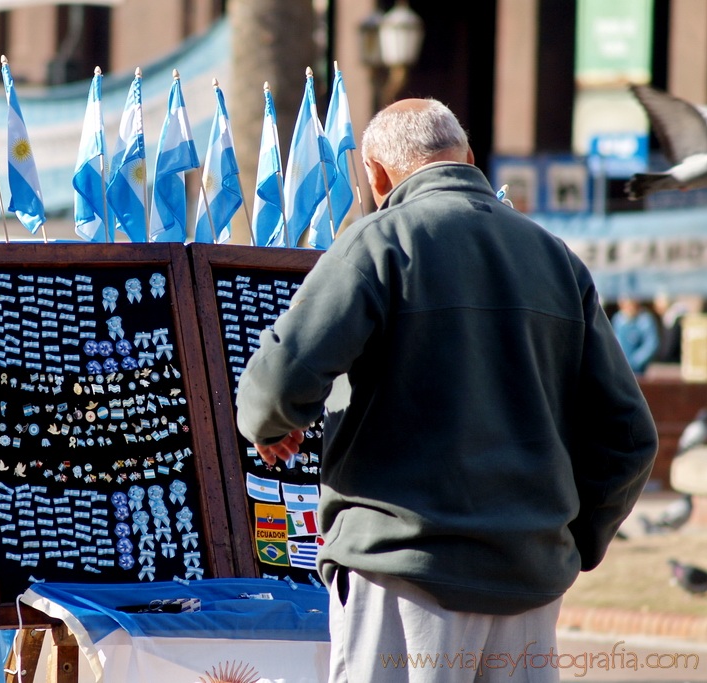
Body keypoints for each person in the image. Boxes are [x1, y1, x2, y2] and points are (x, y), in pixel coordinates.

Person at [235, 98, 657, 682]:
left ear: (377, 176)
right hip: (529, 578)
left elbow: (276, 382)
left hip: (404, 570)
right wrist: (568, 539)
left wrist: (271, 424)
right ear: (470, 159)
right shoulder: (557, 259)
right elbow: (630, 437)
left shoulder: (378, 241)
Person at [611, 296, 659, 374]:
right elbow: (615, 342)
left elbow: (651, 345)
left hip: (639, 371)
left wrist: (634, 362)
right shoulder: (618, 319)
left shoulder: (645, 321)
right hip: (620, 369)